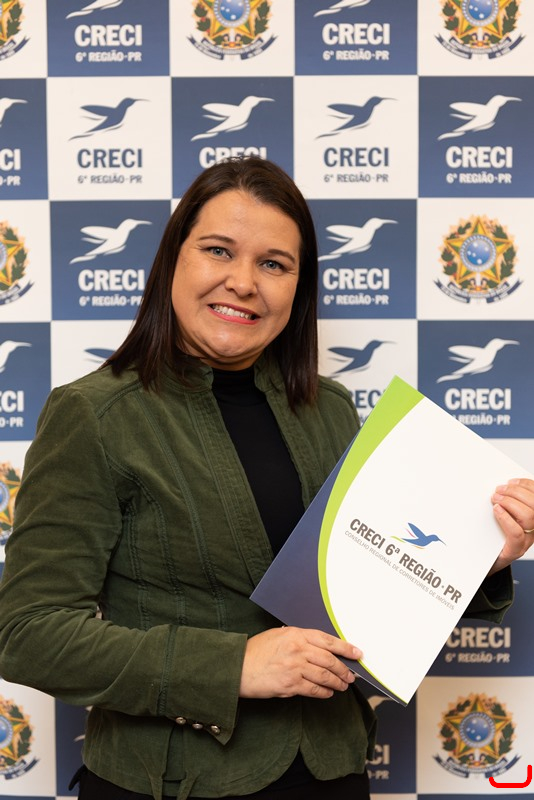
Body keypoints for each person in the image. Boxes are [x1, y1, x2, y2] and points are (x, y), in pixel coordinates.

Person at [0, 156, 533, 800]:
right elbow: (29, 634)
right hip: (173, 785)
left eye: (274, 264)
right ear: (173, 261)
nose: (243, 282)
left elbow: (372, 591)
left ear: (298, 289)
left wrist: (478, 555)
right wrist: (234, 667)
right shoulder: (94, 414)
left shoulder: (329, 409)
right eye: (218, 250)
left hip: (332, 774)